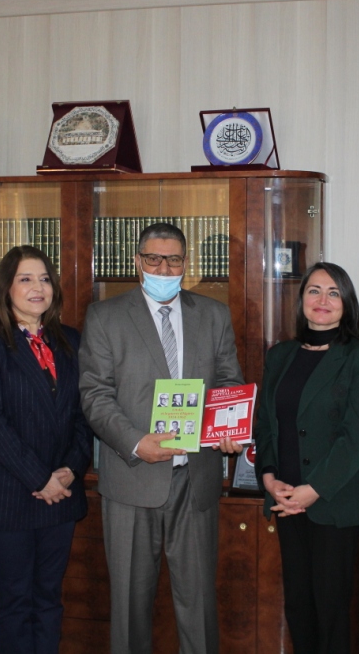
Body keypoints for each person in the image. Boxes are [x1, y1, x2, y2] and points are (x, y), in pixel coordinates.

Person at [79, 222, 245, 654]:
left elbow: (228, 382)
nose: (163, 268)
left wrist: (229, 429)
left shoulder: (213, 314)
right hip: (132, 479)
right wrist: (137, 443)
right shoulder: (105, 316)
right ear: (138, 262)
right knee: (130, 608)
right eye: (153, 259)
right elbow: (95, 395)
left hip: (196, 477)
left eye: (173, 260)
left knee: (199, 605)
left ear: (186, 264)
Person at [0, 246, 92, 654]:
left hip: (61, 496)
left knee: (49, 600)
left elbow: (84, 414)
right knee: (15, 603)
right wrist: (41, 479)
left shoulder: (70, 341)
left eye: (44, 279)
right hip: (9, 497)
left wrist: (71, 469)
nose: (38, 287)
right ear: (5, 288)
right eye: (25, 279)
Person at [254, 262, 359, 653]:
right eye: (314, 290)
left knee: (332, 612)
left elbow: (355, 437)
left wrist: (313, 490)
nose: (322, 300)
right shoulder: (280, 355)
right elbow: (266, 424)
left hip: (333, 503)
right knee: (298, 606)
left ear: (347, 303)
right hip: (285, 499)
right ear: (302, 300)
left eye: (333, 292)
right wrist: (269, 476)